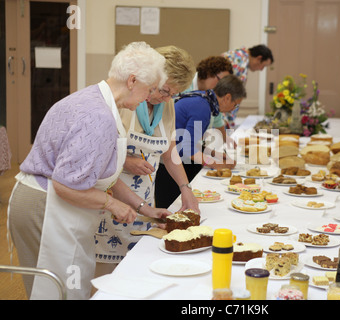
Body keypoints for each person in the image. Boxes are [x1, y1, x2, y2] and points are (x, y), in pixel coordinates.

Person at [7, 41, 171, 300]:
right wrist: (113, 205)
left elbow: (100, 174)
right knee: (54, 291)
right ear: (132, 81)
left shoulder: (98, 101)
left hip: (50, 202)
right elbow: (66, 185)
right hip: (44, 205)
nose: (149, 97)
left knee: (71, 287)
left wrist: (144, 209)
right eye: (149, 89)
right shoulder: (97, 116)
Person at [94, 45, 199, 275]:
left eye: (173, 93)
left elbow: (169, 152)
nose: (166, 98)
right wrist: (124, 162)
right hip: (110, 200)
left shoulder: (166, 104)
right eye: (163, 90)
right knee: (106, 275)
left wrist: (185, 188)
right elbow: (97, 156)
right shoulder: (124, 100)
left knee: (136, 270)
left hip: (144, 203)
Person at [155, 75, 246, 209]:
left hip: (173, 161)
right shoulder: (202, 108)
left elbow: (191, 140)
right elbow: (188, 148)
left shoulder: (204, 99)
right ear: (227, 97)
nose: (234, 108)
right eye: (235, 104)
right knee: (171, 212)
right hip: (169, 168)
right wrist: (215, 164)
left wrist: (215, 154)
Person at [183, 55, 235, 148]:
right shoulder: (184, 85)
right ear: (209, 73)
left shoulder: (211, 94)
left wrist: (225, 138)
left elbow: (217, 118)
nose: (221, 87)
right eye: (221, 81)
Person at [221, 44, 274, 128]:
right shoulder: (239, 62)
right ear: (259, 58)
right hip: (221, 111)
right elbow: (226, 94)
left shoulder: (239, 55)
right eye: (263, 66)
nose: (261, 69)